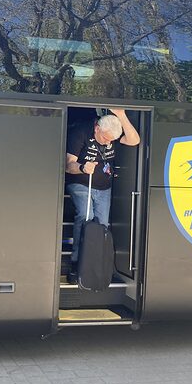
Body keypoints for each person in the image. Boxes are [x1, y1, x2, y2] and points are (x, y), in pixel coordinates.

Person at [64, 109, 140, 284]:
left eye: (111, 140)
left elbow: (134, 140)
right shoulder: (81, 132)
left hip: (104, 187)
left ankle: (96, 265)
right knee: (86, 217)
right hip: (81, 182)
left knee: (102, 225)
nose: (108, 143)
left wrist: (121, 115)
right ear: (97, 127)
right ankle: (77, 264)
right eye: (106, 138)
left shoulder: (111, 136)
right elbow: (68, 165)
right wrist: (82, 167)